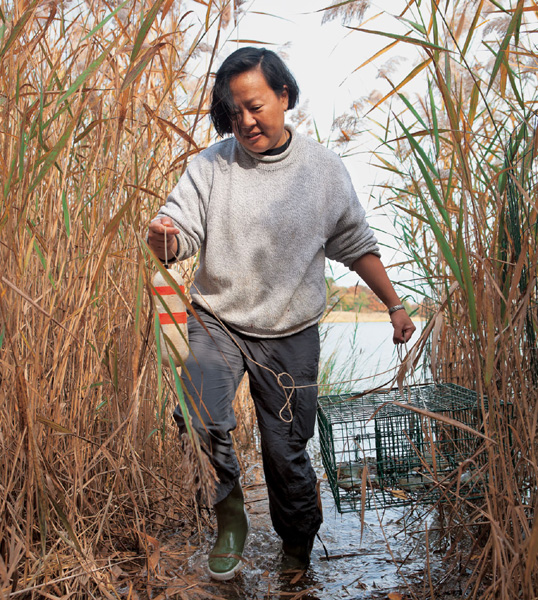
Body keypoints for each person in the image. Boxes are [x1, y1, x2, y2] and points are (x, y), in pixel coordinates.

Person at [147, 47, 416, 581]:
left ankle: (296, 552)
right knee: (201, 411)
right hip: (217, 319)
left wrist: (395, 304)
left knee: (286, 453)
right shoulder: (209, 167)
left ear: (284, 97)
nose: (246, 121)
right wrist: (165, 238)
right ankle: (229, 516)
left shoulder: (321, 170)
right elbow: (177, 228)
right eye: (234, 111)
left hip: (291, 333)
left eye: (256, 106)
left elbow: (355, 242)